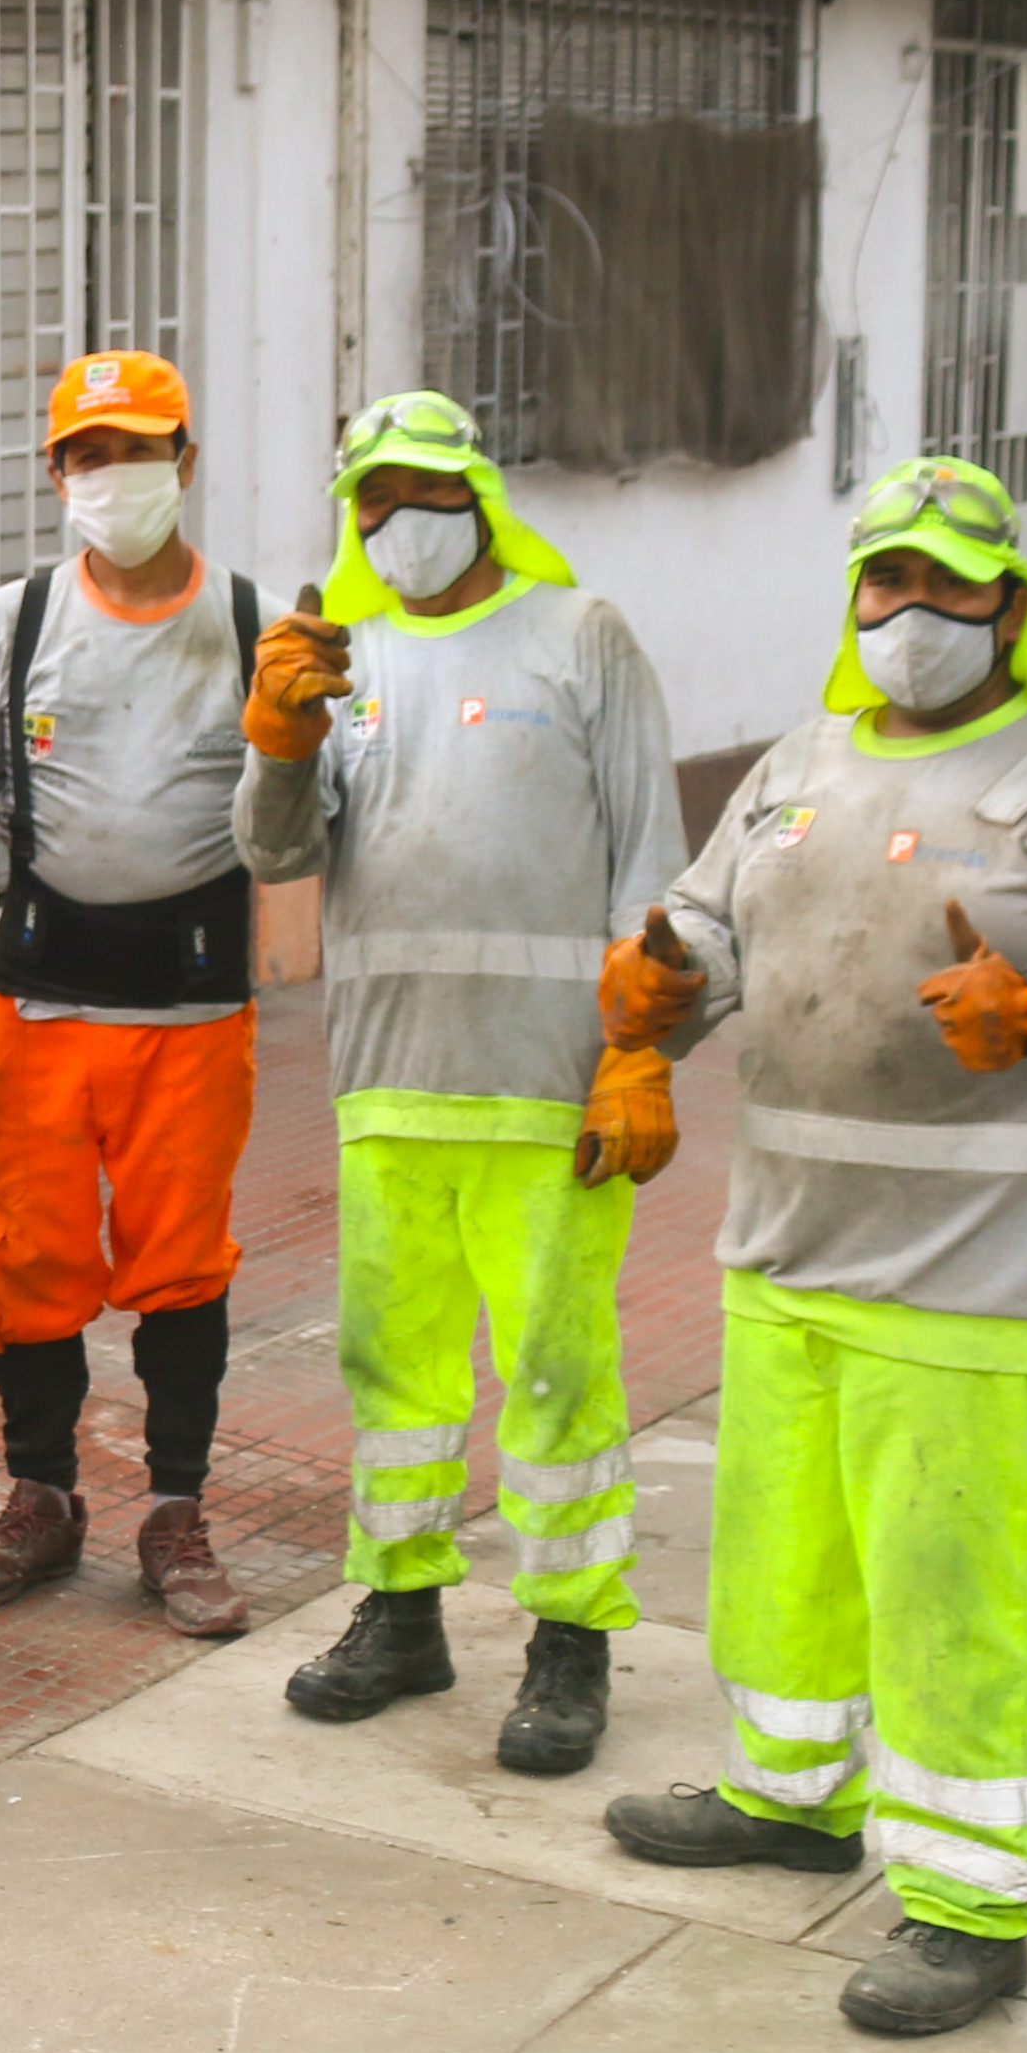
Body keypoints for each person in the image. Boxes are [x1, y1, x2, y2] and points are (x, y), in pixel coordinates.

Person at [594, 455, 1027, 2036]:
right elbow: (707, 926)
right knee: (783, 1564)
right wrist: (652, 996)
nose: (914, 611)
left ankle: (963, 1900)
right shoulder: (796, 763)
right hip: (786, 1256)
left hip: (970, 1280)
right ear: (854, 594)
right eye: (888, 579)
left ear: (1012, 607)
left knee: (950, 1593)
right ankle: (790, 1794)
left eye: (953, 584)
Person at [239, 388, 685, 1776]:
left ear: (478, 495)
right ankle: (401, 1606)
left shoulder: (578, 635)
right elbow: (268, 853)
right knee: (398, 1370)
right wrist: (276, 732)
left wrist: (637, 1053)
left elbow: (649, 860)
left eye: (423, 491)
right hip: (389, 1083)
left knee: (557, 1369)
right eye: (370, 496)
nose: (396, 520)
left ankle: (568, 1637)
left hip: (547, 1090)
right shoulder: (341, 653)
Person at [0, 350, 273, 1640]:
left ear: (186, 458)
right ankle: (40, 1498)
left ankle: (175, 1513)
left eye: (137, 450)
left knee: (180, 1267)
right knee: (28, 1258)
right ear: (54, 474)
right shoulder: (18, 621)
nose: (113, 476)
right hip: (42, 1000)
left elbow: (286, 833)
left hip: (192, 1008)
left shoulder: (246, 617)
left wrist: (294, 743)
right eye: (87, 455)